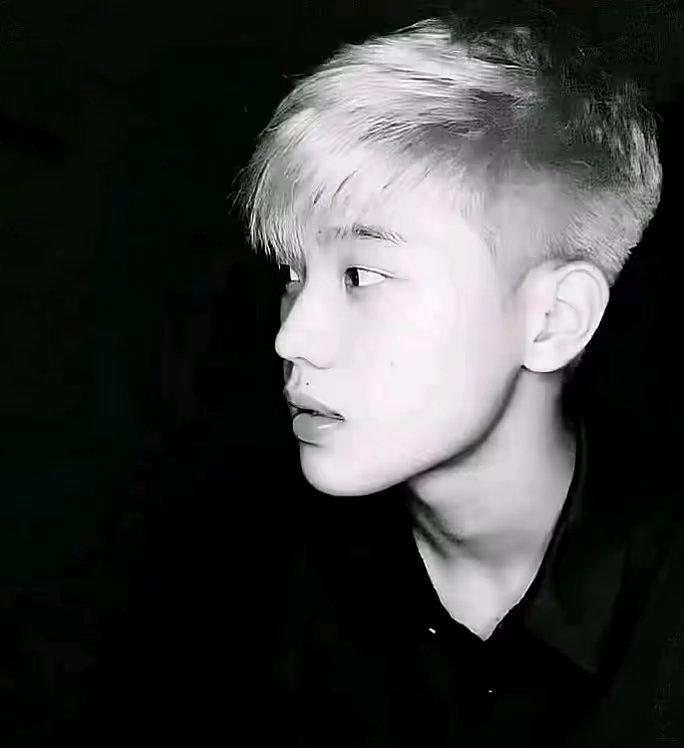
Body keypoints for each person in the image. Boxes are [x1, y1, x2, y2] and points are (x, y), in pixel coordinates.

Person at [231, 16, 683, 747]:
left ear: (553, 320)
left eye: (362, 275)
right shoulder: (253, 591)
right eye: (293, 271)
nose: (292, 337)